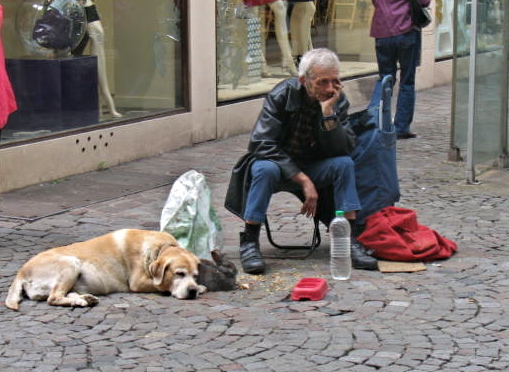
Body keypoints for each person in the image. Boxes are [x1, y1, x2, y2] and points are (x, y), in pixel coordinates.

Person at [224, 48, 378, 274]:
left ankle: (350, 240)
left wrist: (328, 115)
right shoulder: (282, 95)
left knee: (344, 164)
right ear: (304, 80)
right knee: (264, 169)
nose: (329, 89)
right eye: (322, 82)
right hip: (277, 166)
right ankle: (249, 241)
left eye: (335, 81)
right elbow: (261, 143)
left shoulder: (336, 99)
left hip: (314, 165)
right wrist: (304, 180)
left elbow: (344, 148)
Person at [368, 0, 431, 139]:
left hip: (382, 30)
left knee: (384, 79)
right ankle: (401, 127)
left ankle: (373, 121)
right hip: (406, 29)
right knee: (407, 81)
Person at [74, 0, 121, 118]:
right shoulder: (84, 6)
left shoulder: (87, 5)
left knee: (102, 80)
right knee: (100, 81)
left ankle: (109, 109)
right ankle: (105, 109)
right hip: (95, 38)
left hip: (97, 41)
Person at [289, 0, 315, 66]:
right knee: (298, 33)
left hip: (306, 5)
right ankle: (299, 56)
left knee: (303, 34)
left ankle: (304, 57)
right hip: (298, 5)